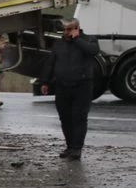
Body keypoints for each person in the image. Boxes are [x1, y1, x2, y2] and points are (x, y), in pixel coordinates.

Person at [39, 18, 100, 160]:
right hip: (62, 86)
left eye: (69, 29)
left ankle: (77, 148)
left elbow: (93, 51)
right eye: (64, 29)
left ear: (77, 28)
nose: (66, 32)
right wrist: (45, 82)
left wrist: (77, 39)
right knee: (65, 118)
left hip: (82, 86)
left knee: (79, 117)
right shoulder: (59, 44)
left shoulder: (89, 40)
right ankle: (70, 146)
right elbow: (51, 63)